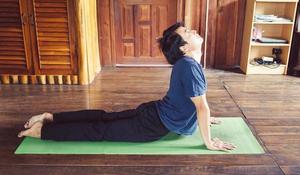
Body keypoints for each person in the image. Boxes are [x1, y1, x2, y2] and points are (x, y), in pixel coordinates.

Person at [18, 22, 236, 152]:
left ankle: (51, 117)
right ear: (185, 47)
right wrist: (209, 142)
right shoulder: (189, 66)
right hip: (153, 124)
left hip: (154, 112)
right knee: (100, 130)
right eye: (188, 31)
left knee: (104, 118)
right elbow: (201, 107)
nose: (194, 30)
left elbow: (193, 101)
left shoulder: (187, 63)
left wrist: (205, 118)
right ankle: (45, 130)